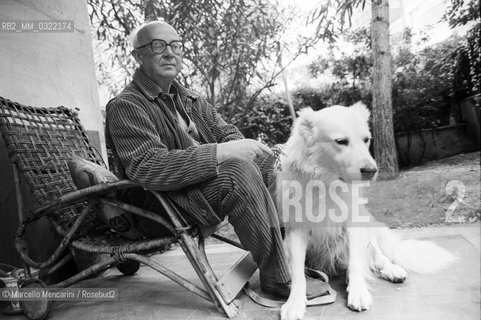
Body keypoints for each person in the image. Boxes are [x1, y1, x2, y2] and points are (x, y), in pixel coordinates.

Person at [105, 20, 323, 298]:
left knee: (272, 166)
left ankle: (298, 256)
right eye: (158, 45)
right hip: (159, 206)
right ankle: (278, 278)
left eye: (176, 46)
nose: (170, 53)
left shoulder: (191, 100)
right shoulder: (126, 106)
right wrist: (222, 153)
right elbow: (148, 167)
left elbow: (228, 133)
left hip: (197, 192)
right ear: (138, 55)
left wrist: (248, 150)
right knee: (236, 172)